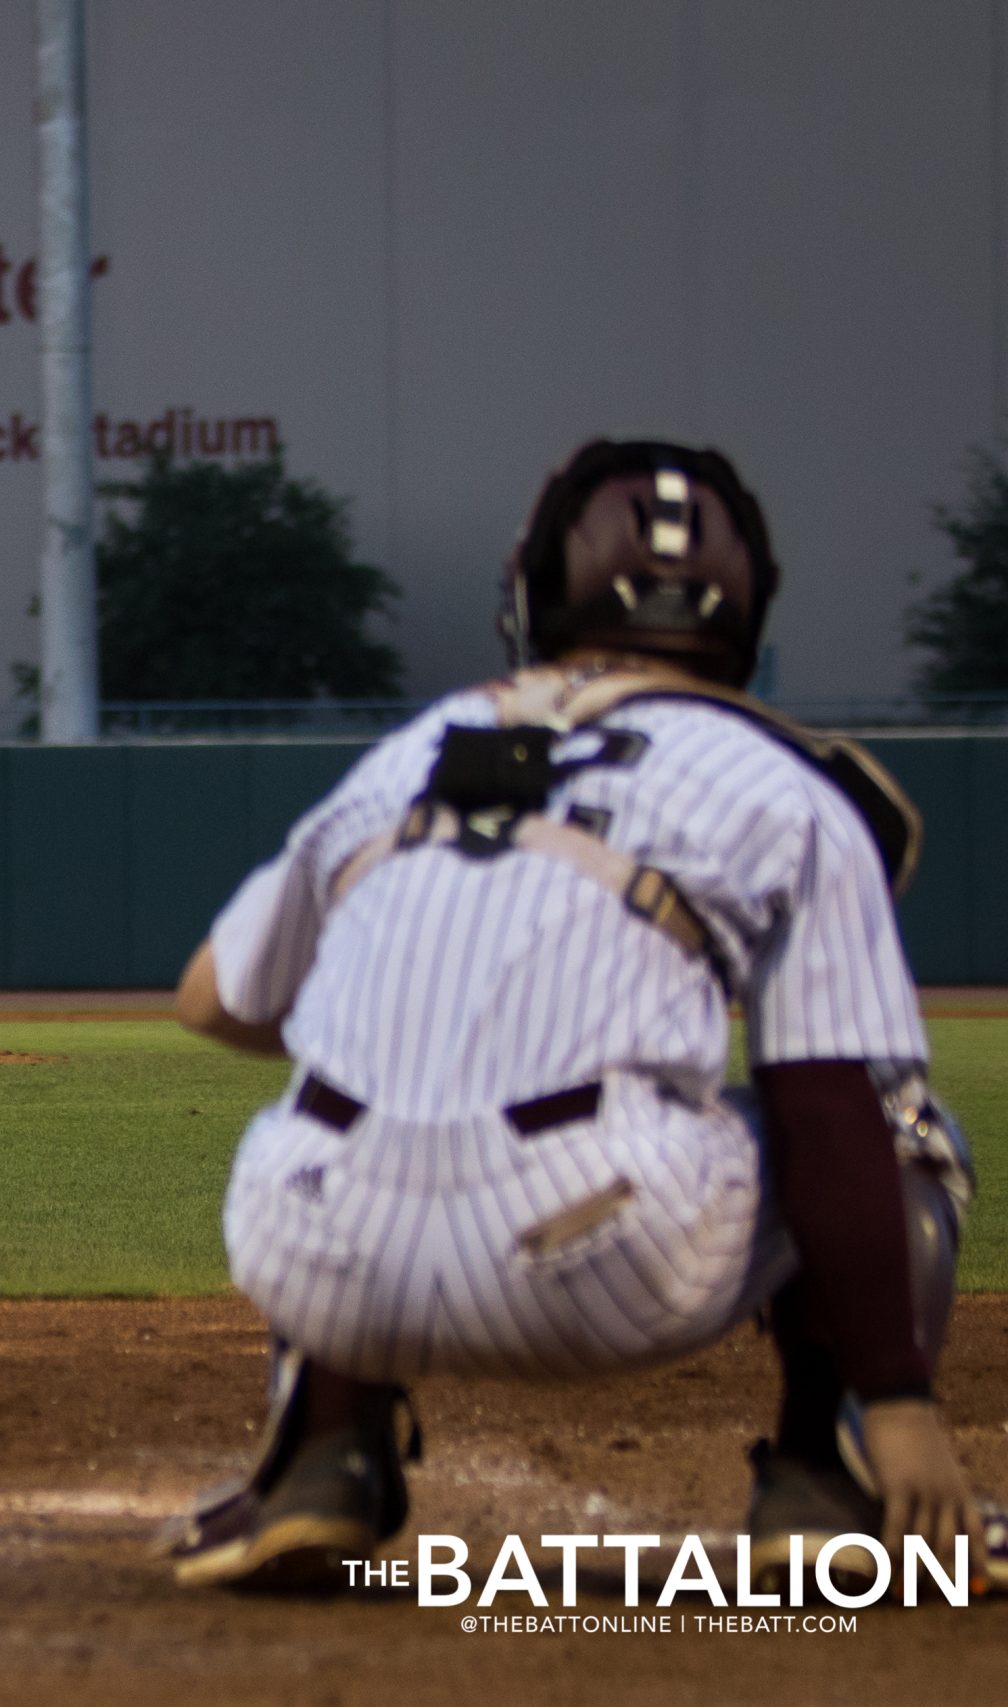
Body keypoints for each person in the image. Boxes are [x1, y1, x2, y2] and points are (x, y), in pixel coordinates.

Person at [163, 438, 1002, 1594]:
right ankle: (830, 1479)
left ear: (532, 595)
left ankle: (321, 1459)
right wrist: (903, 1398)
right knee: (898, 1122)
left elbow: (212, 997)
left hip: (317, 1249)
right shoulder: (792, 786)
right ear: (748, 612)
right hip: (608, 1258)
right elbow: (822, 1100)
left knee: (333, 1097)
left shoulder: (414, 752)